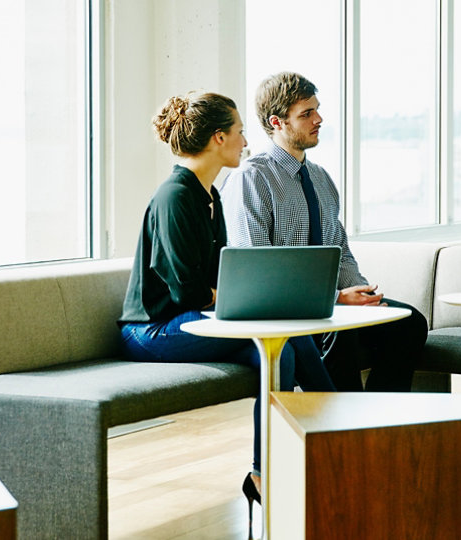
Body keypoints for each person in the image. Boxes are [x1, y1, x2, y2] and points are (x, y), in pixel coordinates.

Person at [118, 91, 334, 527]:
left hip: (191, 321)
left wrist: (245, 296)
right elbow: (187, 292)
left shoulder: (208, 194)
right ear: (218, 138)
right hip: (154, 331)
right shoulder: (175, 197)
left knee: (297, 342)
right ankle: (266, 472)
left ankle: (332, 452)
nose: (245, 142)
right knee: (280, 350)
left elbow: (220, 277)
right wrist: (238, 299)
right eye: (238, 133)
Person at [219, 71, 428, 392]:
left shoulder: (321, 179)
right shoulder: (251, 179)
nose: (319, 119)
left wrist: (361, 296)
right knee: (341, 329)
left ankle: (377, 418)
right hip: (285, 313)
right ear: (277, 122)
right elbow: (258, 273)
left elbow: (340, 252)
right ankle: (341, 426)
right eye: (306, 114)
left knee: (408, 323)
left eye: (316, 109)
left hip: (330, 306)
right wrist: (336, 300)